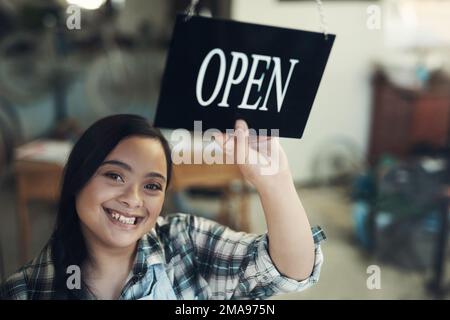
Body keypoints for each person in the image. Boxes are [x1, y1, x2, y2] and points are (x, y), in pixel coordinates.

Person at [0, 114, 325, 300]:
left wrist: (276, 182)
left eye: (152, 185)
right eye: (114, 175)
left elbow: (289, 271)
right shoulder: (24, 291)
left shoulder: (186, 242)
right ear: (78, 179)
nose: (134, 198)